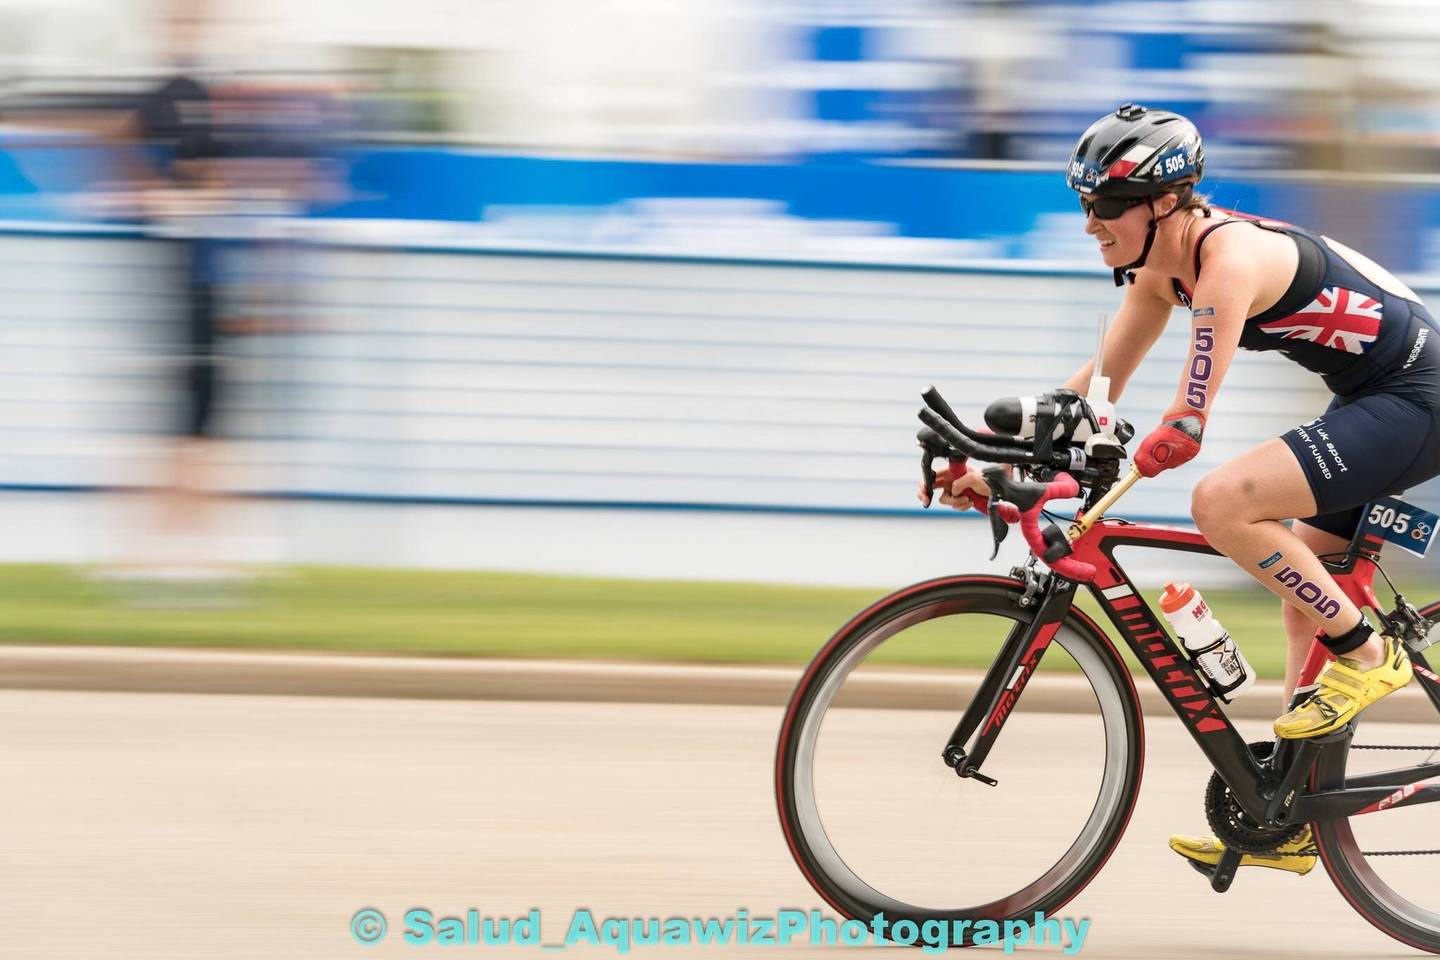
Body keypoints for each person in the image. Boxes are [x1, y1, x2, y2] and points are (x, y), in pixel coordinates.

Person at [939, 103, 1440, 875]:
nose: (1090, 225)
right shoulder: (1158, 272)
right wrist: (998, 460)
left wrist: (1149, 443)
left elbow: (1186, 421)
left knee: (1223, 502)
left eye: (1105, 206)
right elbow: (1096, 388)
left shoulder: (1227, 262)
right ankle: (1290, 811)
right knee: (1304, 589)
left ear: (1165, 202)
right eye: (1085, 205)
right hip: (1370, 396)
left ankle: (1370, 654)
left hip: (1416, 397)